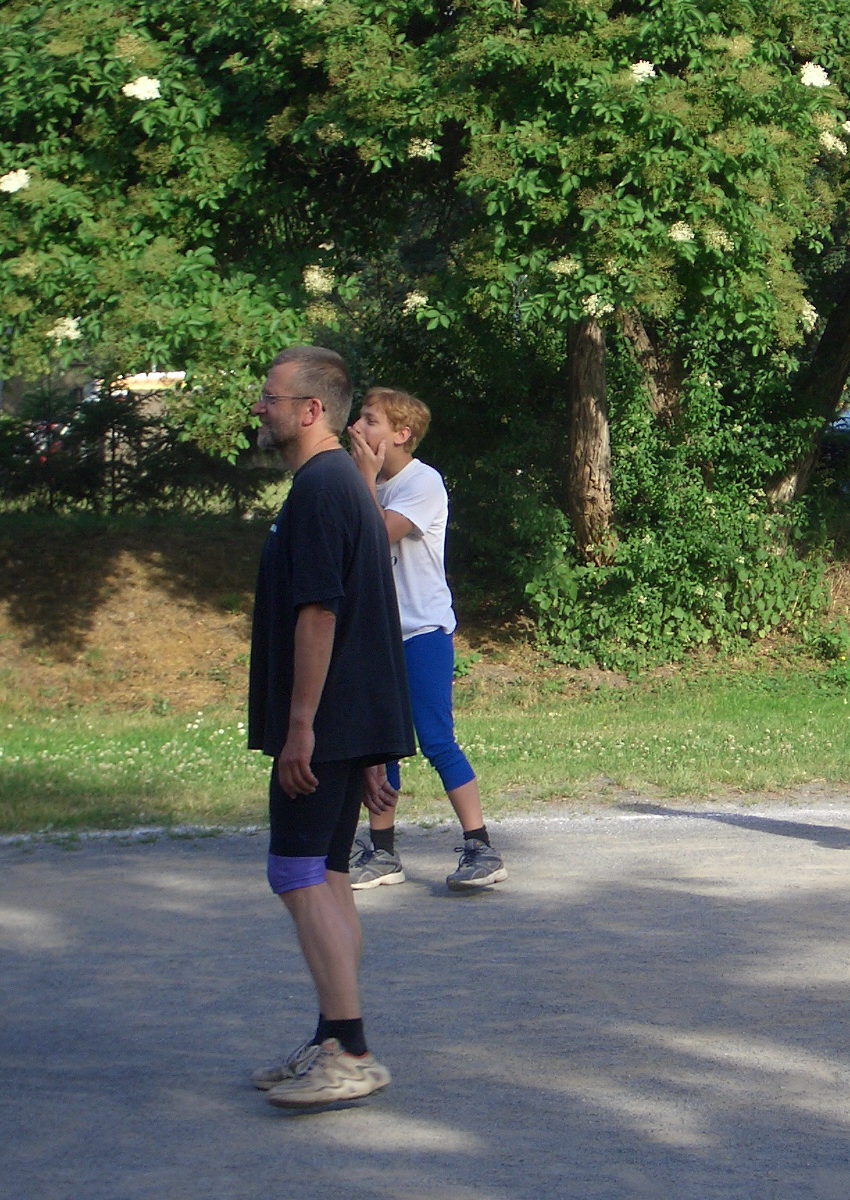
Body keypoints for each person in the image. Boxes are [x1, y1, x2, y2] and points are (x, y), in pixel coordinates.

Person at [245, 347, 415, 1108]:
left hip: (326, 723)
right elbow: (369, 607)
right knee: (331, 874)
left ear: (311, 410)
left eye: (271, 397)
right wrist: (372, 743)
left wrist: (301, 727)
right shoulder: (346, 483)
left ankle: (350, 1049)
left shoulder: (320, 488)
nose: (260, 408)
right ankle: (332, 1038)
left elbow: (321, 612)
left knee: (296, 872)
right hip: (351, 720)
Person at [344, 386, 507, 892]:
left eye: (370, 420)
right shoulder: (360, 480)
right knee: (377, 748)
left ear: (401, 434)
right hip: (377, 636)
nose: (356, 428)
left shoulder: (423, 482)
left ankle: (481, 847)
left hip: (422, 632)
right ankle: (383, 853)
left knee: (436, 740)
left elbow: (374, 536)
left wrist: (364, 478)